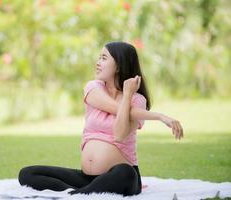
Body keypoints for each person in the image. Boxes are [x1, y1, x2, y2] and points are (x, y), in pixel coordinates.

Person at [18, 41, 184, 197]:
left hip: (121, 176)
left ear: (119, 65)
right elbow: (117, 109)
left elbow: (119, 135)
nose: (98, 62)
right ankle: (80, 194)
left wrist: (127, 96)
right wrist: (160, 116)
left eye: (104, 58)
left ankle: (78, 195)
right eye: (99, 57)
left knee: (124, 172)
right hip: (87, 178)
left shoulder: (137, 99)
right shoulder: (93, 88)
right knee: (27, 173)